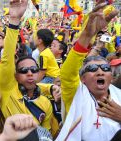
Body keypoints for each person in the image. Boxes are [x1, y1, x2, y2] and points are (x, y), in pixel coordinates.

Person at [56, 1, 120, 140]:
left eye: (105, 68)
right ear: (82, 79)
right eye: (92, 68)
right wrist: (86, 35)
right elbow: (67, 73)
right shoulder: (74, 94)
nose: (100, 72)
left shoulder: (119, 96)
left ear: (111, 77)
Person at [0, 0, 59, 136]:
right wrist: (14, 20)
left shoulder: (46, 103)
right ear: (15, 76)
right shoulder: (8, 90)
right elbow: (7, 58)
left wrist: (49, 88)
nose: (30, 73)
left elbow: (45, 135)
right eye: (24, 71)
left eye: (34, 70)